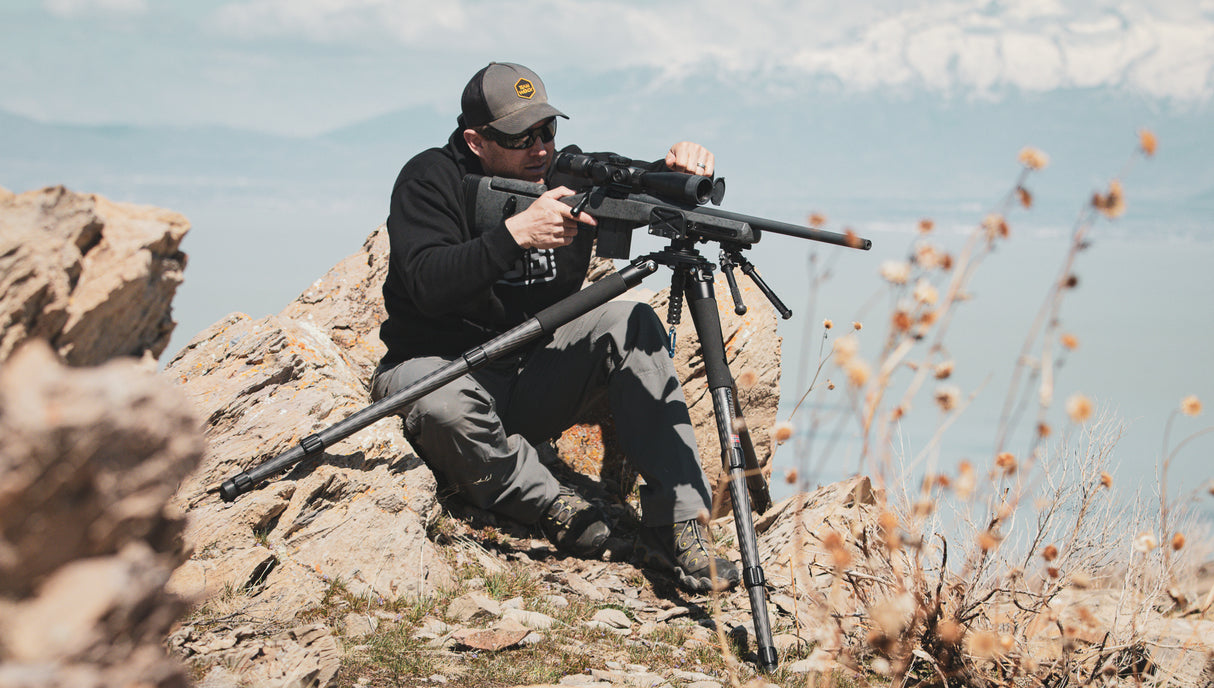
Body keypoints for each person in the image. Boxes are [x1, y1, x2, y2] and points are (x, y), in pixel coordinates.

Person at [370, 62, 739, 593]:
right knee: (439, 405)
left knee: (631, 320)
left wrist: (678, 167)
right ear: (475, 140)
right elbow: (428, 282)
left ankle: (677, 523)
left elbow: (645, 183)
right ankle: (556, 506)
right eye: (520, 136)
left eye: (547, 129)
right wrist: (514, 235)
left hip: (534, 373)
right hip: (439, 368)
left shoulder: (567, 172)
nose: (539, 147)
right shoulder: (430, 179)